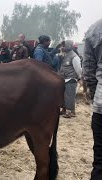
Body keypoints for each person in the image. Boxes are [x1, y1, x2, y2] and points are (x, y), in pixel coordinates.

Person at [83, 18, 102, 180]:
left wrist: (96, 95)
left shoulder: (94, 29)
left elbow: (88, 72)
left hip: (101, 106)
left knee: (100, 163)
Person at [59, 40, 82, 118]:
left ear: (68, 46)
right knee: (64, 95)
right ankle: (65, 109)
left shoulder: (74, 56)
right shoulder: (66, 54)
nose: (63, 47)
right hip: (64, 78)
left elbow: (78, 69)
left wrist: (80, 78)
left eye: (64, 46)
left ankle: (71, 112)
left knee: (70, 96)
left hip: (71, 79)